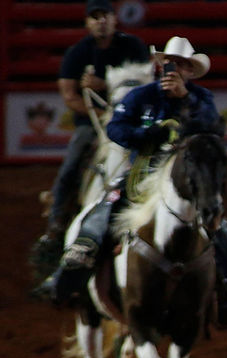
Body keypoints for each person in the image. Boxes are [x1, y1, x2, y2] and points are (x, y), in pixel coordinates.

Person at [34, 36, 227, 327]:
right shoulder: (140, 97)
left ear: (190, 72)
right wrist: (145, 136)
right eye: (170, 63)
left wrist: (184, 100)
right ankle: (68, 277)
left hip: (185, 179)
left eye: (181, 65)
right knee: (102, 212)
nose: (175, 70)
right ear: (159, 66)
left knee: (216, 223)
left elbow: (212, 128)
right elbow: (115, 128)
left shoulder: (201, 98)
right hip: (141, 175)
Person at [29, 0, 149, 275]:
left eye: (105, 16)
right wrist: (101, 113)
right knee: (72, 163)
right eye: (94, 18)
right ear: (87, 22)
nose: (100, 22)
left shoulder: (133, 47)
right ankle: (56, 225)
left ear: (114, 19)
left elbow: (145, 82)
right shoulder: (77, 54)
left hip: (132, 119)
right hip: (92, 123)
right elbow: (70, 96)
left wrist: (103, 86)